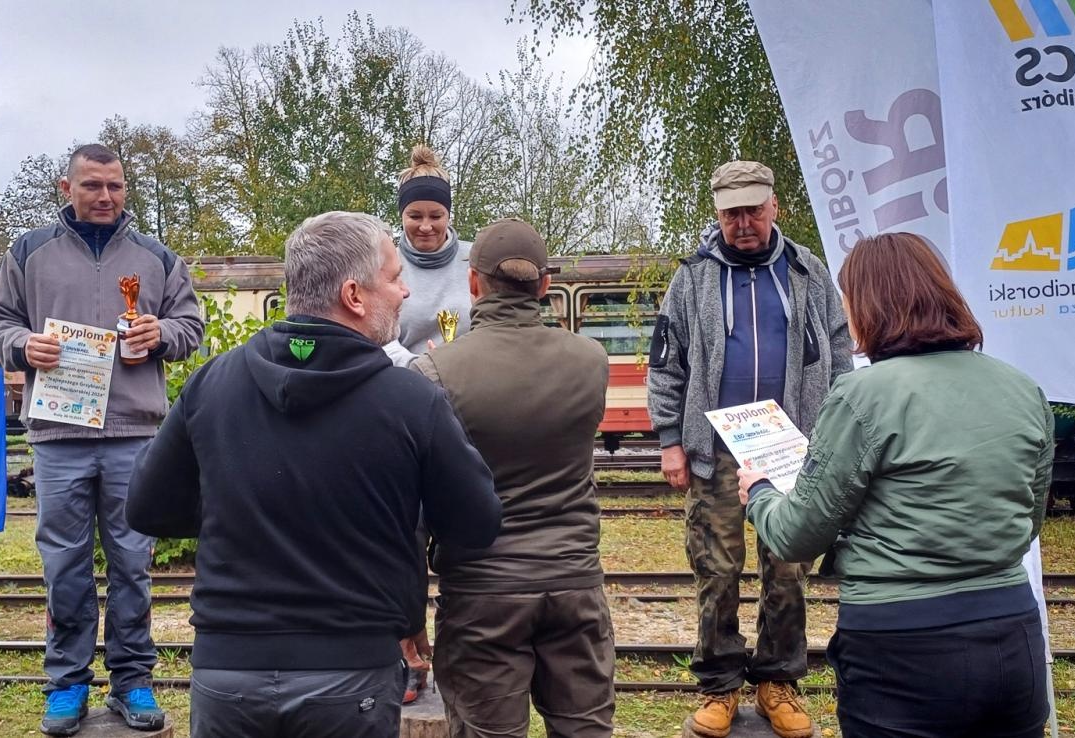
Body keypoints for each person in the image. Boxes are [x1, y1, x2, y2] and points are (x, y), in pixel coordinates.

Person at [125, 211, 504, 738]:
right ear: (354, 295)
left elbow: (146, 507)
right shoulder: (410, 398)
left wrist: (239, 503)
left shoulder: (213, 383)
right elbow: (478, 522)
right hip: (352, 674)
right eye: (395, 278)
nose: (405, 293)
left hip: (229, 668)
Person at [739, 231, 1054, 738]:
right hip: (1012, 635)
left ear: (869, 306)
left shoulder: (862, 395)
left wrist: (760, 494)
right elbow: (1028, 518)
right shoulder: (1023, 389)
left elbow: (796, 535)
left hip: (900, 647)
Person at [0, 143, 201, 736]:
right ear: (66, 188)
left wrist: (160, 333)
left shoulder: (157, 257)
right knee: (64, 565)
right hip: (58, 434)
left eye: (115, 186)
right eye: (92, 186)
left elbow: (191, 327)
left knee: (133, 564)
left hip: (134, 433)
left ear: (126, 188)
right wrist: (22, 346)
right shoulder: (27, 253)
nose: (105, 196)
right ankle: (66, 684)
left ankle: (132, 681)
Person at [646, 160, 852, 738]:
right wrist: (671, 441)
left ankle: (777, 682)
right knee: (716, 570)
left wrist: (834, 433)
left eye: (753, 211)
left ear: (774, 207)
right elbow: (666, 362)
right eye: (731, 213)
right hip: (715, 449)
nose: (743, 223)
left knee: (788, 570)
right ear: (717, 214)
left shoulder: (808, 272)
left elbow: (839, 355)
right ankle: (719, 685)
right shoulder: (692, 278)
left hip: (793, 450)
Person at [411, 218, 615, 738]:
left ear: (473, 283)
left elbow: (415, 508)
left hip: (482, 597)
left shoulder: (434, 373)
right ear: (544, 285)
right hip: (575, 584)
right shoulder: (591, 360)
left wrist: (408, 609)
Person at [384, 144, 474, 366]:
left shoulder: (477, 259)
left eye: (435, 216)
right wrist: (422, 368)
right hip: (407, 379)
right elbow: (378, 337)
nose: (425, 226)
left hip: (470, 378)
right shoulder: (385, 265)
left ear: (448, 215)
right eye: (415, 216)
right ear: (402, 216)